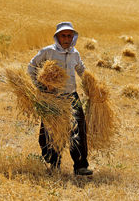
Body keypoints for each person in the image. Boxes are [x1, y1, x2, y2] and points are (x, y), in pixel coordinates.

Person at [27, 22, 93, 176]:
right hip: (52, 98)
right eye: (63, 35)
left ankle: (80, 166)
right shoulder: (48, 52)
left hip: (71, 97)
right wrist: (40, 86)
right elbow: (31, 67)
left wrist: (92, 86)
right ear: (57, 36)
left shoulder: (75, 53)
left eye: (69, 36)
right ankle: (53, 163)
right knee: (50, 131)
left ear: (73, 37)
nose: (66, 38)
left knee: (78, 130)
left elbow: (82, 70)